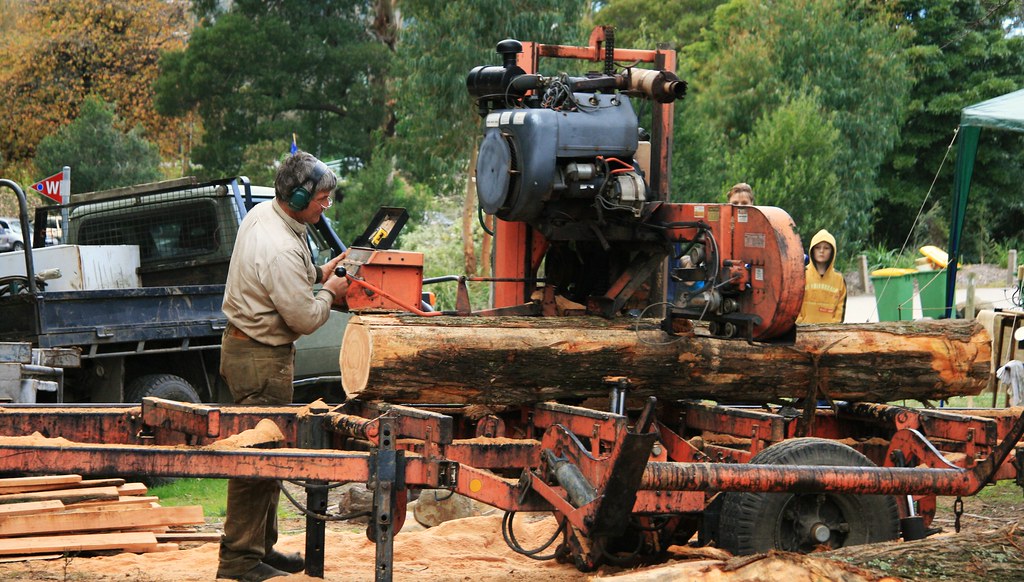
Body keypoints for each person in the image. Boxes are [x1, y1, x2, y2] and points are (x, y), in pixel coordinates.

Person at [216, 151, 349, 581]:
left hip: (252, 351)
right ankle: (238, 563)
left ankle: (261, 549)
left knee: (268, 457)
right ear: (296, 196)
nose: (325, 206)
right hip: (259, 359)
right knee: (254, 462)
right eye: (322, 199)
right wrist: (331, 290)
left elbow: (292, 272)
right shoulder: (277, 246)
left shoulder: (266, 215)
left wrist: (319, 271)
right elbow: (306, 319)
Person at [797, 229, 847, 324]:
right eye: (817, 247)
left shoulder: (839, 279)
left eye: (826, 248)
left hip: (830, 333)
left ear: (833, 251)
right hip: (803, 331)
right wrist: (801, 323)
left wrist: (833, 327)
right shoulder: (801, 275)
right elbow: (793, 303)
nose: (821, 251)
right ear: (812, 250)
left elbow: (840, 309)